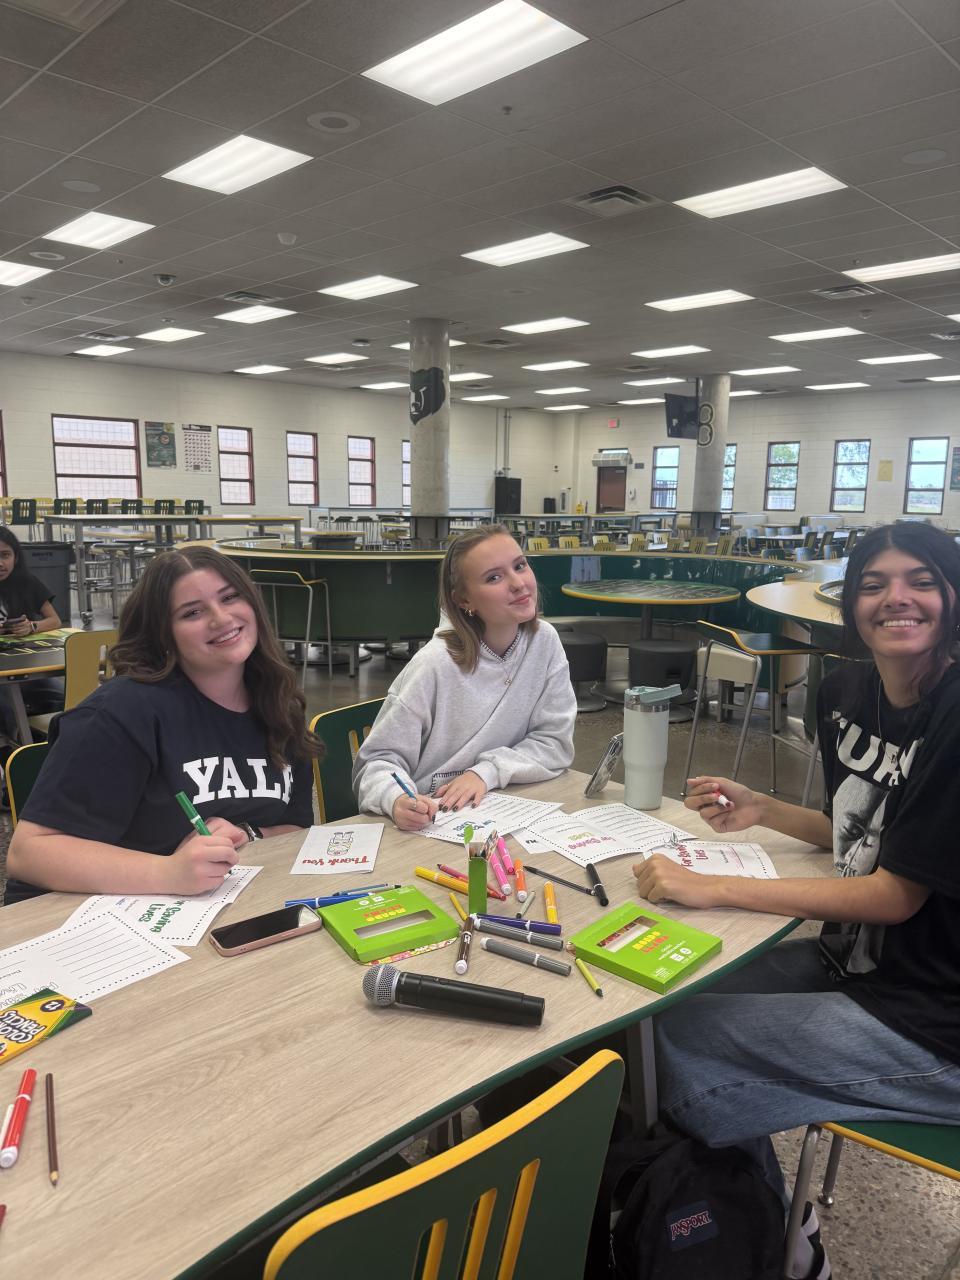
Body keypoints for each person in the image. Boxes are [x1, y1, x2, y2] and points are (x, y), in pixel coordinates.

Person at [636, 523, 960, 1279]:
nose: (896, 599)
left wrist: (713, 886)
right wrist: (768, 810)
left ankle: (767, 1239)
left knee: (671, 1047)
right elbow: (867, 837)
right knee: (653, 1006)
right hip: (859, 969)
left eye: (921, 581)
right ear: (849, 605)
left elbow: (895, 893)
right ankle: (747, 1217)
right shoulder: (846, 694)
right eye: (873, 584)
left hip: (937, 1020)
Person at [6, 545, 321, 903]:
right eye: (192, 612)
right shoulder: (122, 712)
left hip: (220, 907)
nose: (221, 618)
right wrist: (169, 872)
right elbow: (28, 853)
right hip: (91, 915)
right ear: (164, 634)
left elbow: (296, 827)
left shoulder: (278, 704)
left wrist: (248, 834)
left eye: (230, 597)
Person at [353, 524, 576, 830]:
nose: (518, 583)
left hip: (504, 809)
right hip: (432, 823)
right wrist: (395, 798)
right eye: (494, 577)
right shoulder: (434, 665)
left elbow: (554, 743)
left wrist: (485, 772)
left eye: (520, 566)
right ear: (463, 601)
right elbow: (376, 763)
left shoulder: (544, 642)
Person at [0, 525, 64, 743]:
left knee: (64, 698)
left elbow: (54, 620)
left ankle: (57, 740)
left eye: (5, 555)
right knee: (8, 707)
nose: (0, 563)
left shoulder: (27, 582)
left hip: (28, 669)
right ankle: (22, 748)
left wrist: (32, 627)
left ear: (16, 558)